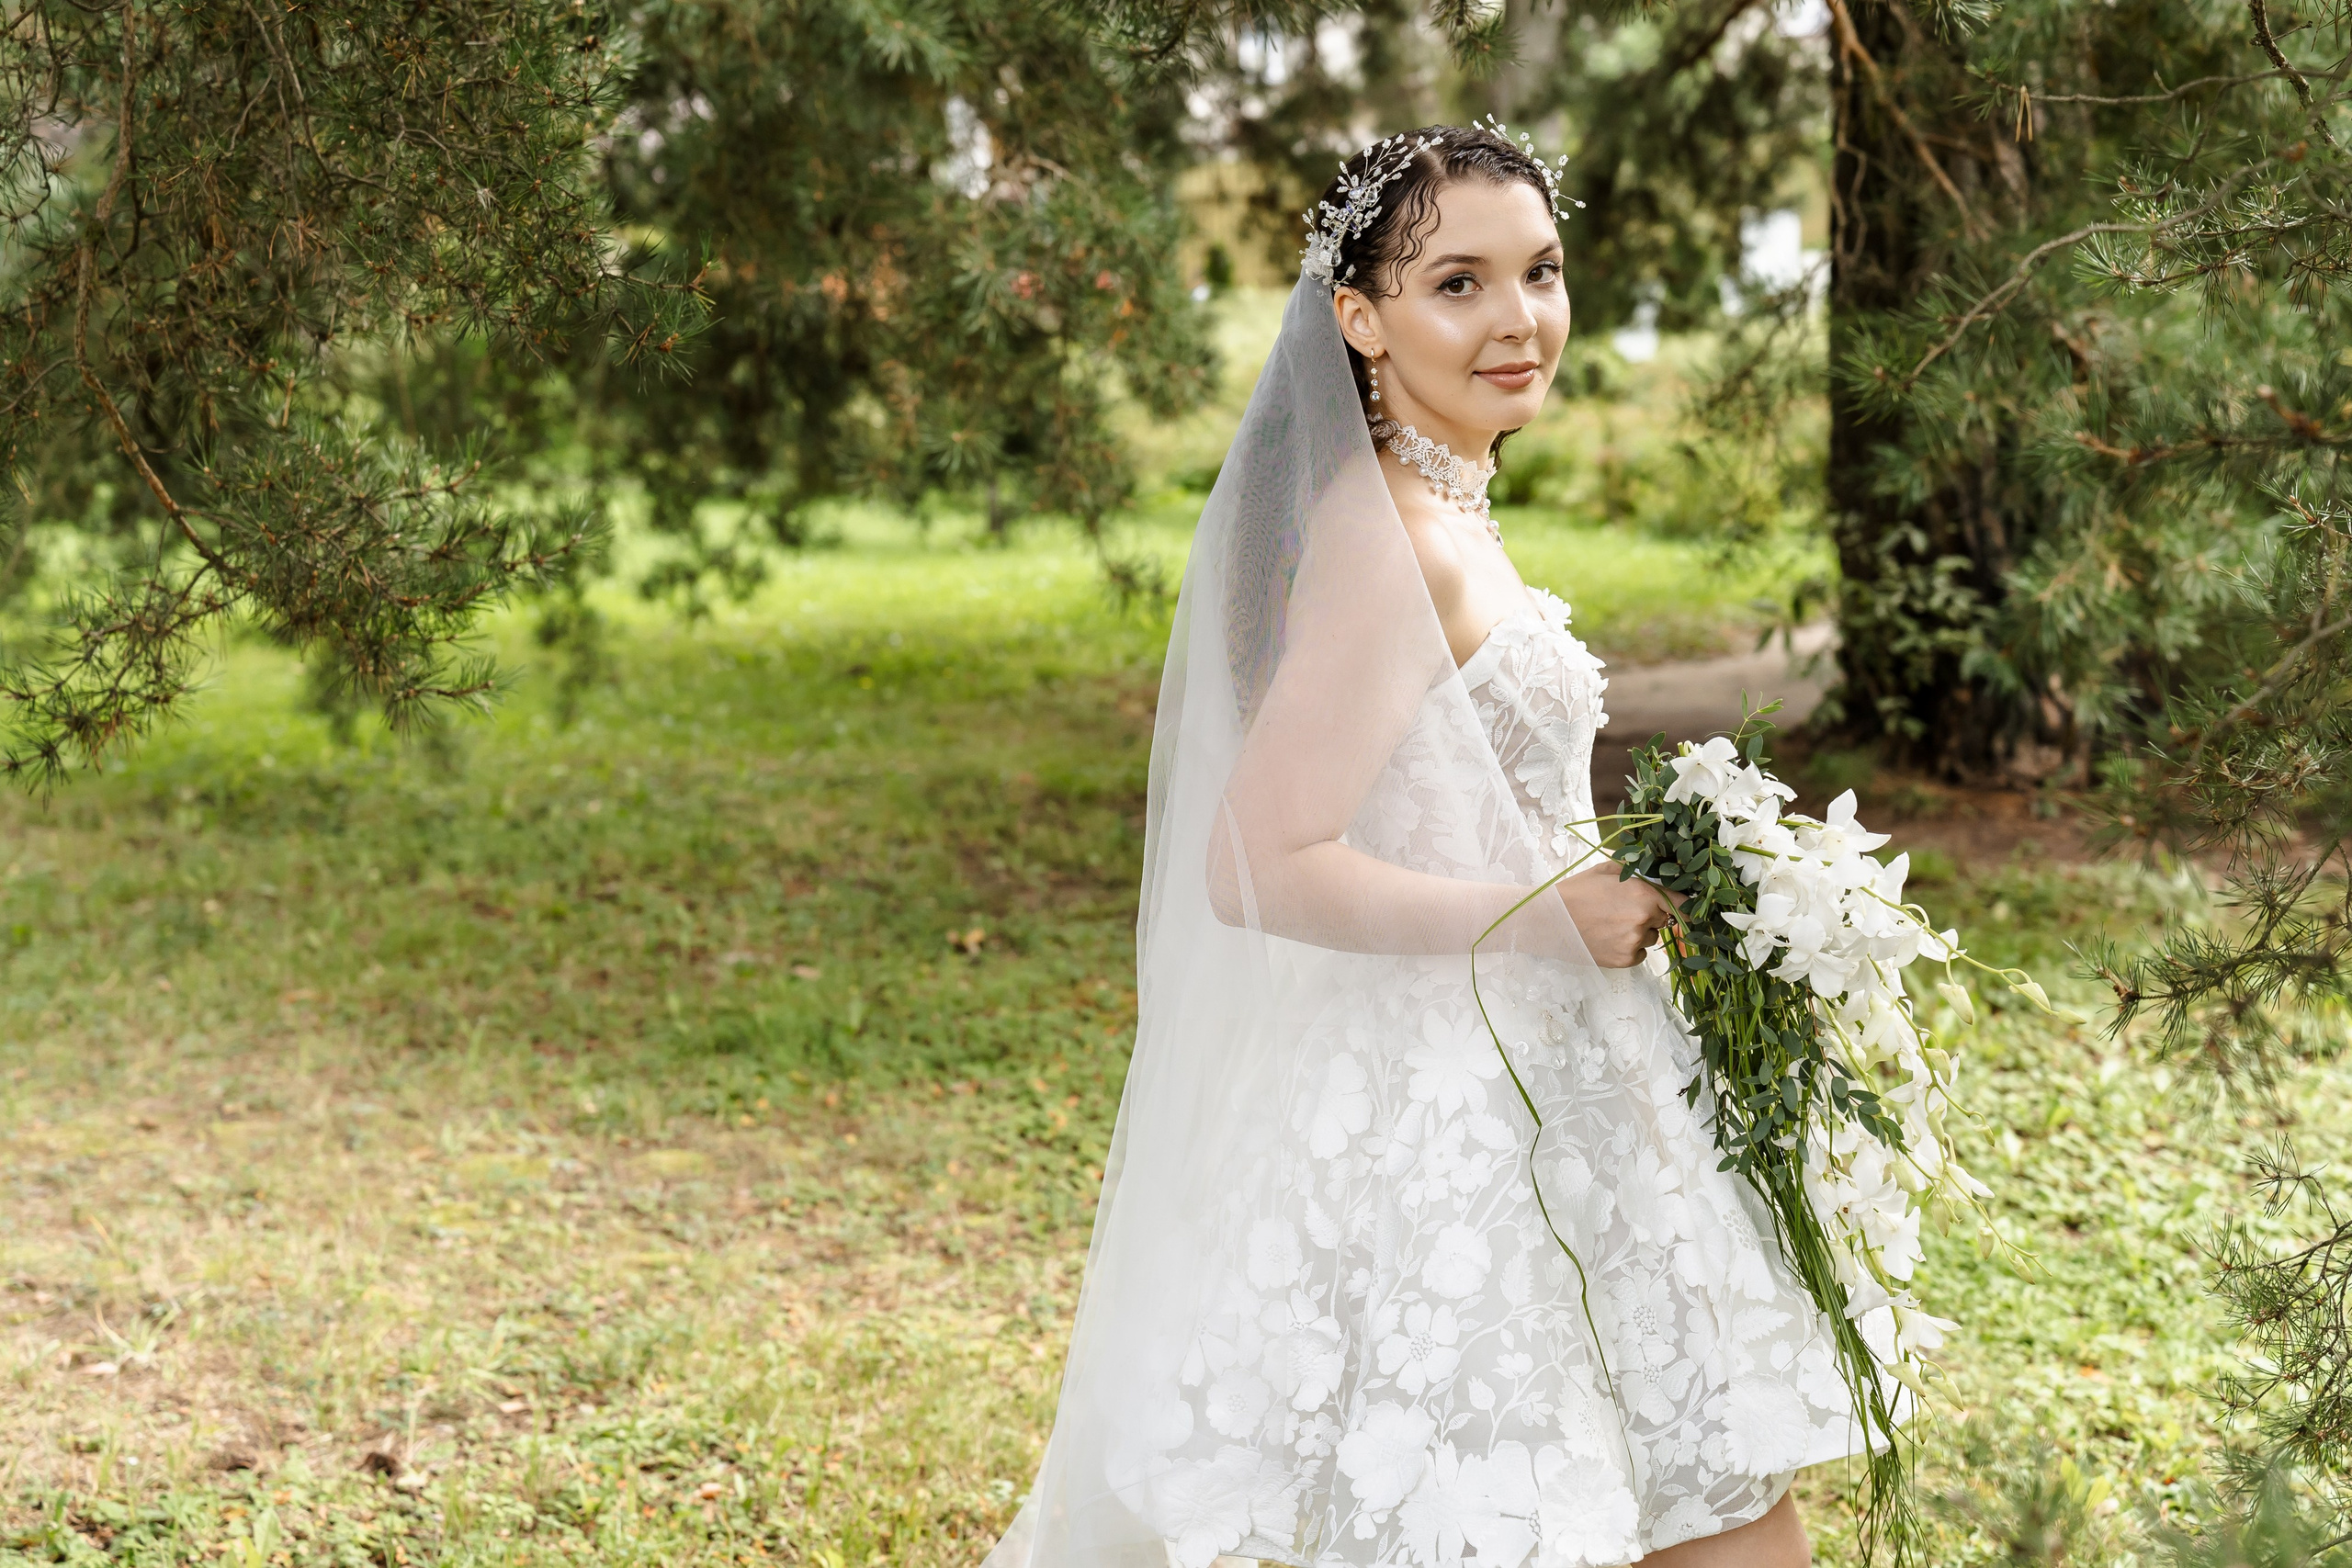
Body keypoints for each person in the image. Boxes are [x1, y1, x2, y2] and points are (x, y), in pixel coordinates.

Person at [984, 123, 1871, 1568]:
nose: (1518, 320)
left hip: (1543, 1070)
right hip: (1454, 1104)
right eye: (1456, 284)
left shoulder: (1439, 512)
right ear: (1360, 319)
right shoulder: (1399, 539)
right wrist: (1553, 912)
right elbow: (1261, 857)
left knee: (1696, 1506)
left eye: (1542, 272)